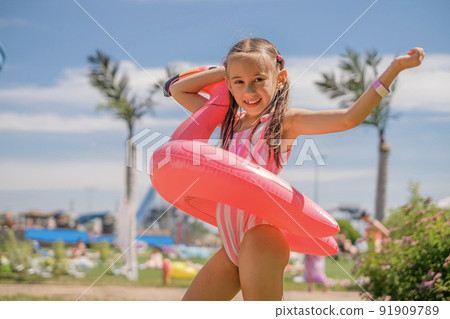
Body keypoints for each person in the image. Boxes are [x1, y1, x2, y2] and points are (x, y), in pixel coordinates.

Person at [169, 38, 424, 300]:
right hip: (231, 243)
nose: (249, 90)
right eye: (239, 82)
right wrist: (227, 72)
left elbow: (350, 117)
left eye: (258, 79)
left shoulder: (284, 122)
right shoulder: (228, 123)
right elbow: (179, 90)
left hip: (261, 238)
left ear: (279, 79)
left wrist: (394, 68)